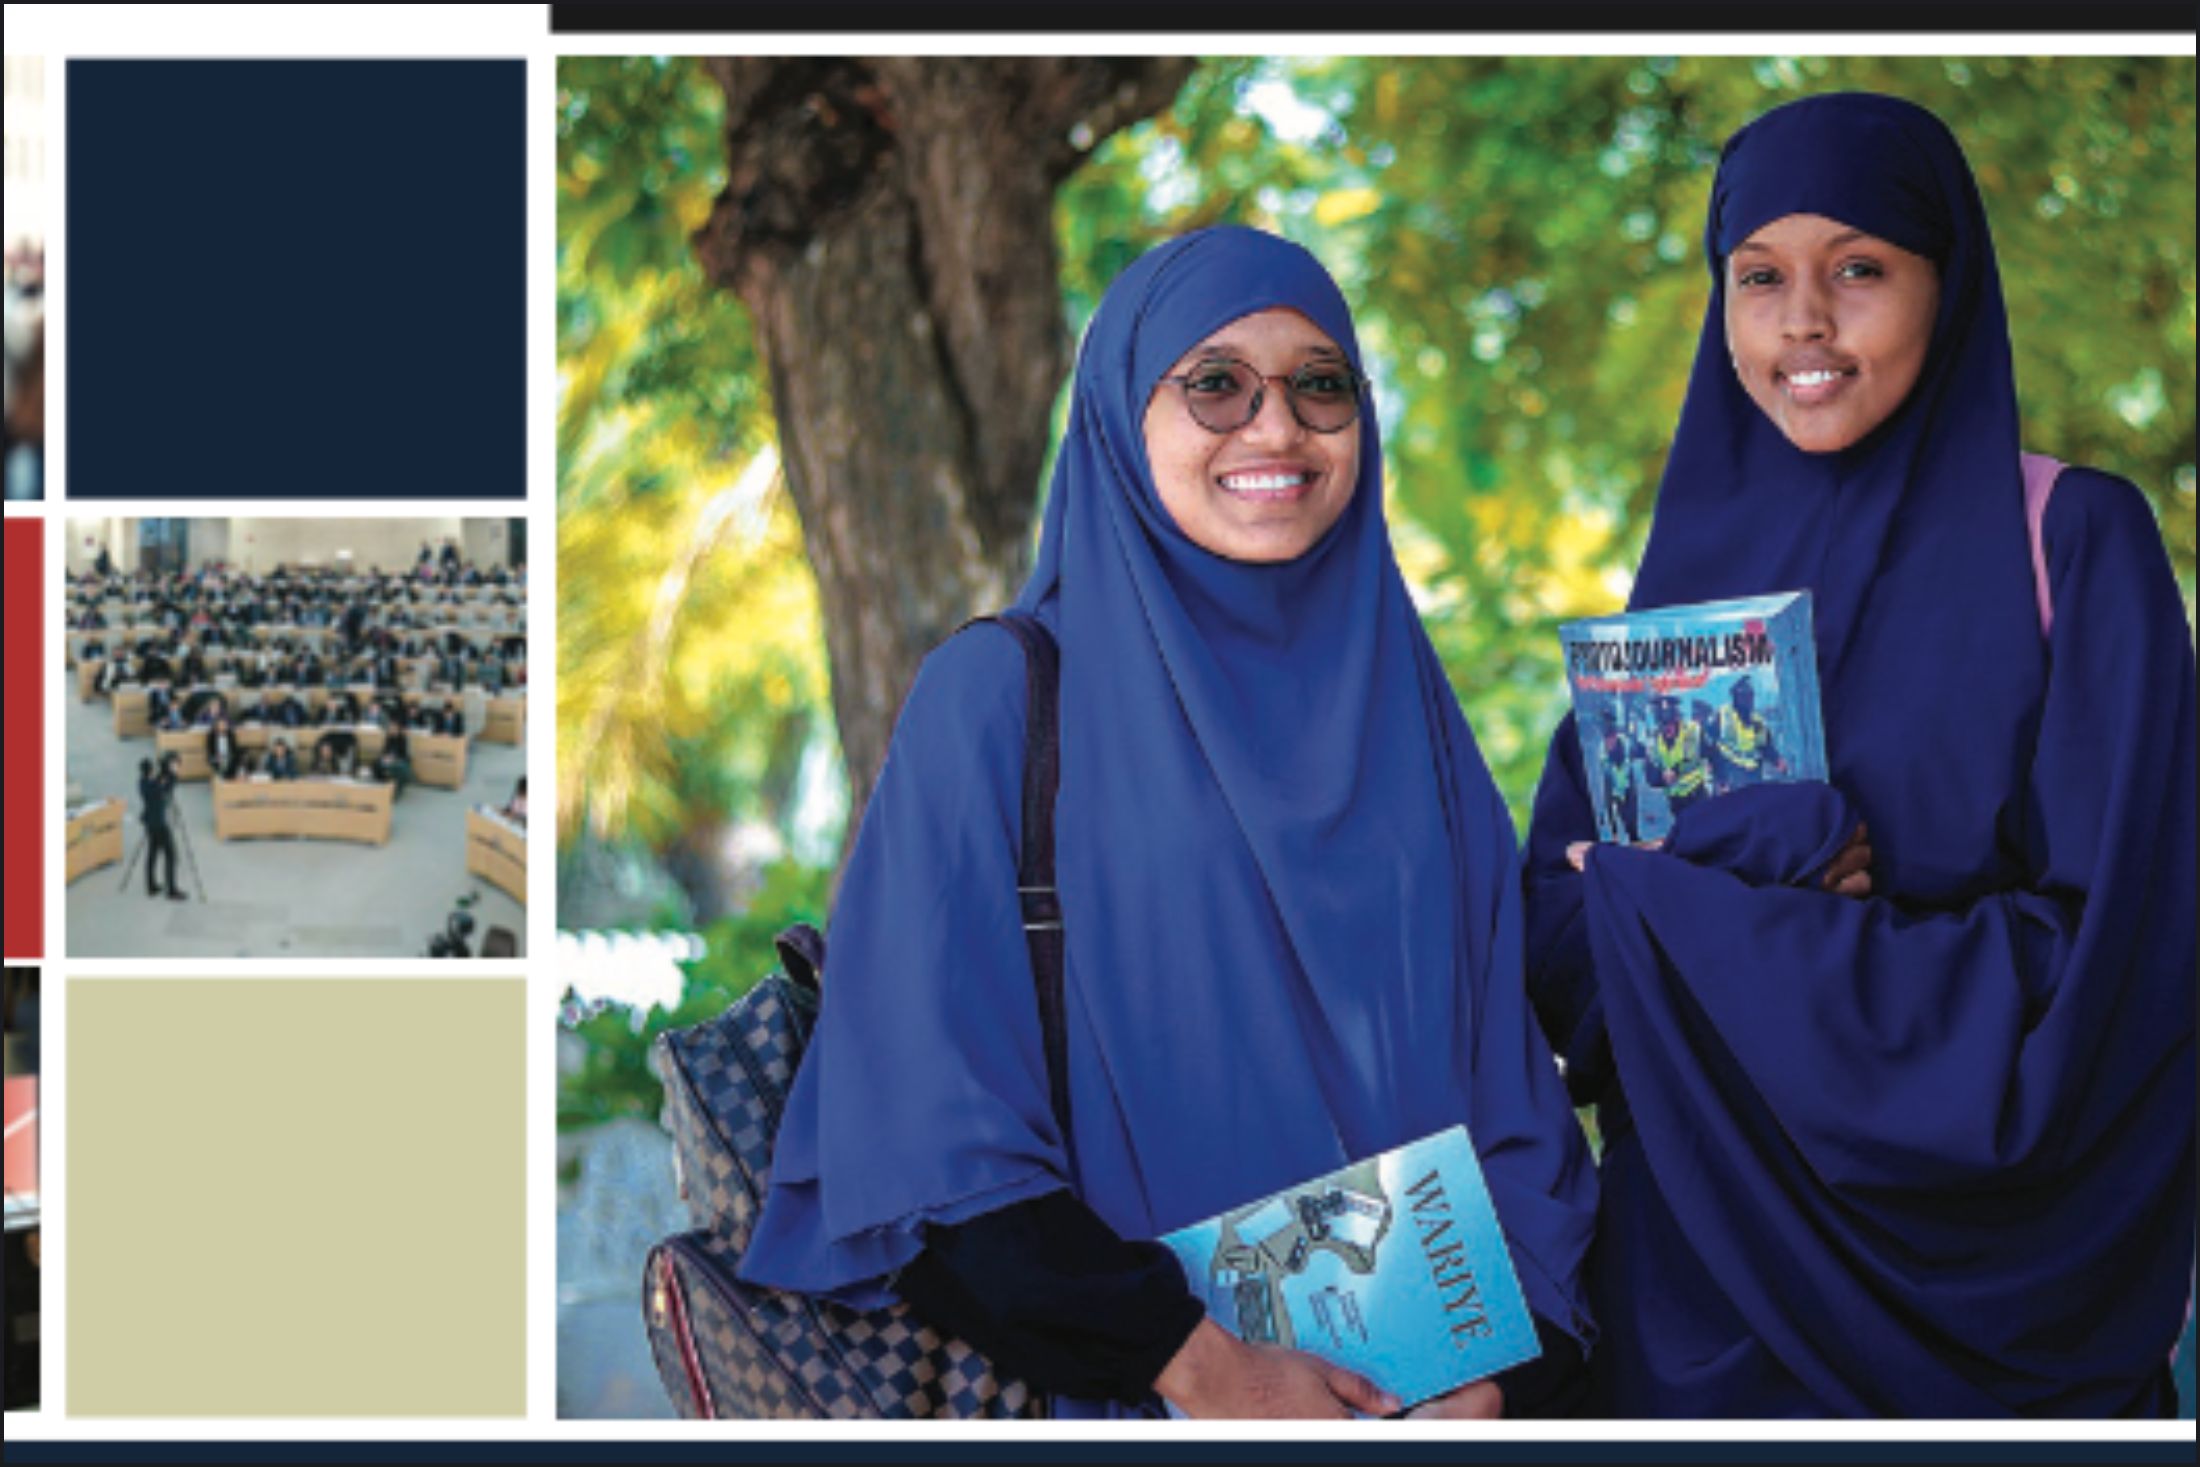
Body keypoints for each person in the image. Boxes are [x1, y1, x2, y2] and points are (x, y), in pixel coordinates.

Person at [738, 227, 1598, 1420]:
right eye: (1214, 386)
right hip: (1140, 1394)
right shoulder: (997, 697)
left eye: (1319, 384)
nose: (1276, 427)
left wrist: (1501, 1369)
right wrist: (1211, 1370)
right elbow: (930, 1127)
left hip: (1438, 1400)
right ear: (1118, 421)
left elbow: (1512, 1099)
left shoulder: (1413, 725)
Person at [1523, 92, 2194, 1417]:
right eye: (1758, 276)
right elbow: (1554, 942)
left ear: (1948, 281)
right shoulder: (1674, 600)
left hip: (1981, 1299)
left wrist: (1689, 916)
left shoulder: (2073, 546)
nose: (1804, 321)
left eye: (1861, 268)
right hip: (1690, 1308)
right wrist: (1745, 863)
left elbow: (2121, 969)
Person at [1709, 676, 1784, 794]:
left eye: (1751, 697)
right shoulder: (1722, 715)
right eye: (1745, 697)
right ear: (1736, 698)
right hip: (1730, 769)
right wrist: (1720, 779)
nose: (1749, 701)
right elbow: (1709, 745)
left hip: (1752, 771)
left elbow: (1764, 746)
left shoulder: (1757, 721)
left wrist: (1777, 761)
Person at [1642, 694, 1707, 817]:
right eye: (1663, 724)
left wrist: (1723, 779)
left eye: (1670, 723)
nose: (1667, 728)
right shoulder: (1653, 742)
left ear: (1677, 718)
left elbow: (1713, 753)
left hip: (1697, 794)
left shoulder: (1692, 731)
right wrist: (1662, 777)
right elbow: (1650, 775)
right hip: (1676, 801)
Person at [137, 753, 183, 901]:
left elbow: (160, 784)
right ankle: (171, 890)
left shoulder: (142, 782)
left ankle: (151, 885)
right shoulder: (155, 786)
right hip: (160, 824)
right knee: (170, 856)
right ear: (150, 771)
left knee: (152, 853)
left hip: (150, 823)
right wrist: (173, 774)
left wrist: (165, 774)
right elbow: (167, 788)